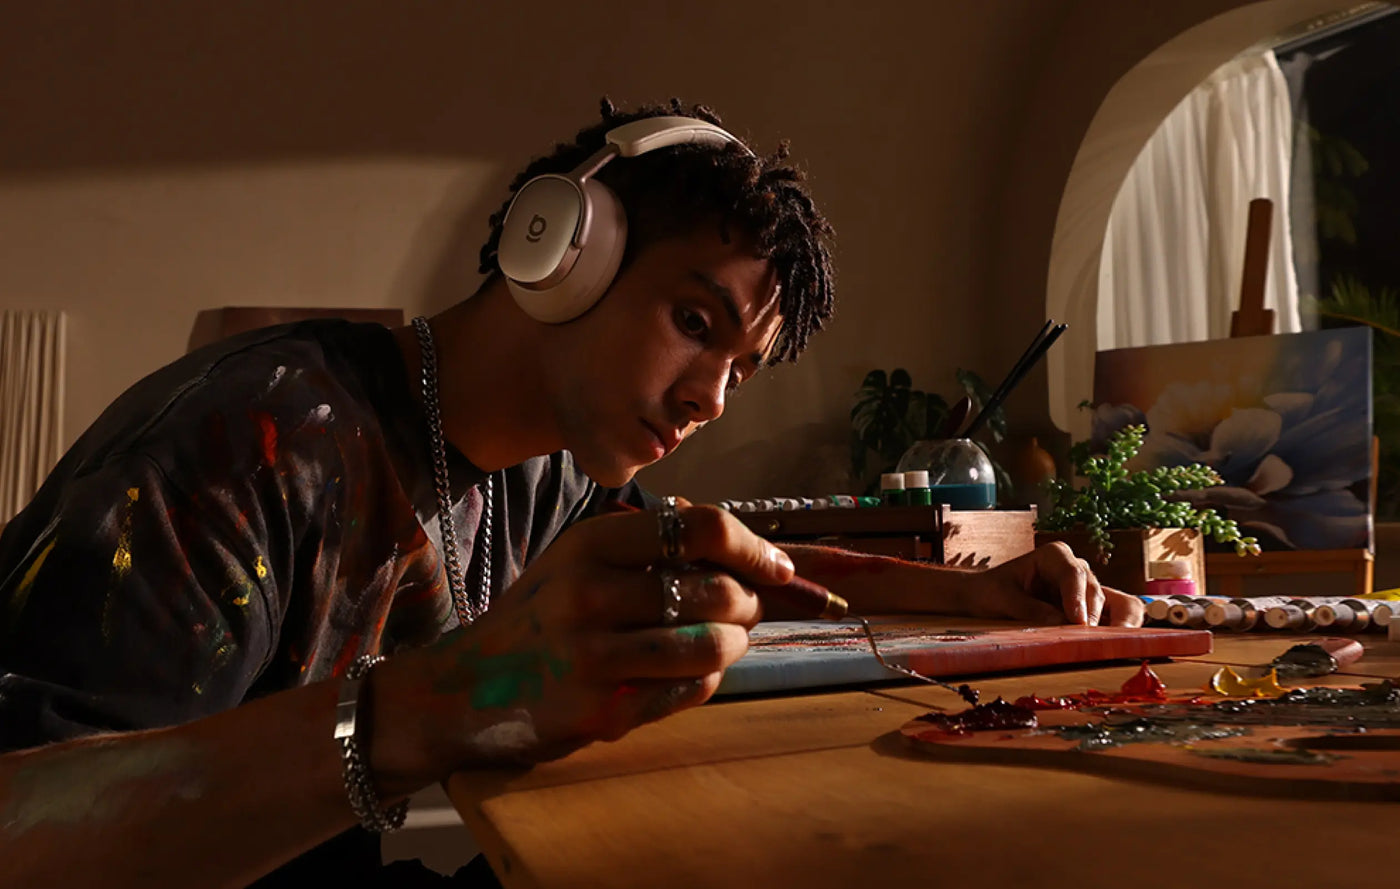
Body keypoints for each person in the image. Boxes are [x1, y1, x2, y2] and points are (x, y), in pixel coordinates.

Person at [0, 98, 1142, 888]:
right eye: (692, 323)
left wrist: (975, 599)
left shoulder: (543, 467)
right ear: (562, 250)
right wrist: (430, 708)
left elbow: (721, 572)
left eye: (741, 368)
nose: (710, 397)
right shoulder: (252, 441)